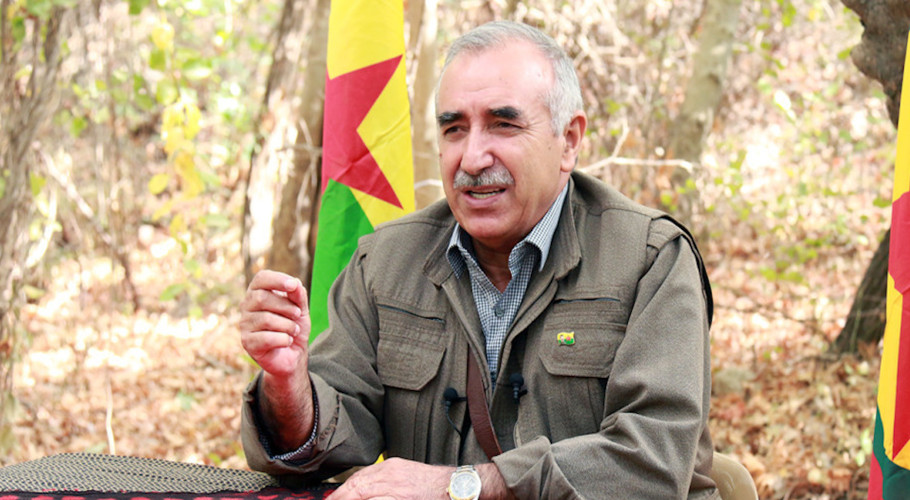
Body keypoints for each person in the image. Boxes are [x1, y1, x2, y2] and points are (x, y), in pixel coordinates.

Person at [239, 20, 720, 500]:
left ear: (569, 140)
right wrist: (288, 385)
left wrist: (461, 486)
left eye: (503, 125)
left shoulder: (650, 259)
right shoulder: (385, 262)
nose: (471, 159)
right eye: (454, 129)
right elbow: (331, 438)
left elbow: (653, 460)